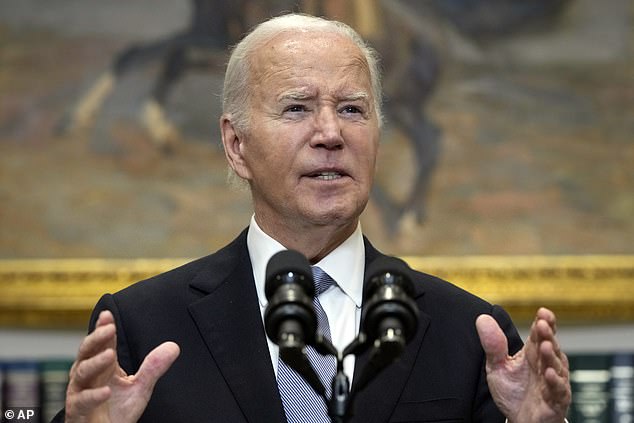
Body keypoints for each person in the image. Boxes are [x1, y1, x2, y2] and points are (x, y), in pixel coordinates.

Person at [55, 13, 571, 423]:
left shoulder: (469, 334)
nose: (331, 133)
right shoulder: (142, 327)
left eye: (352, 109)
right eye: (297, 108)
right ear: (236, 146)